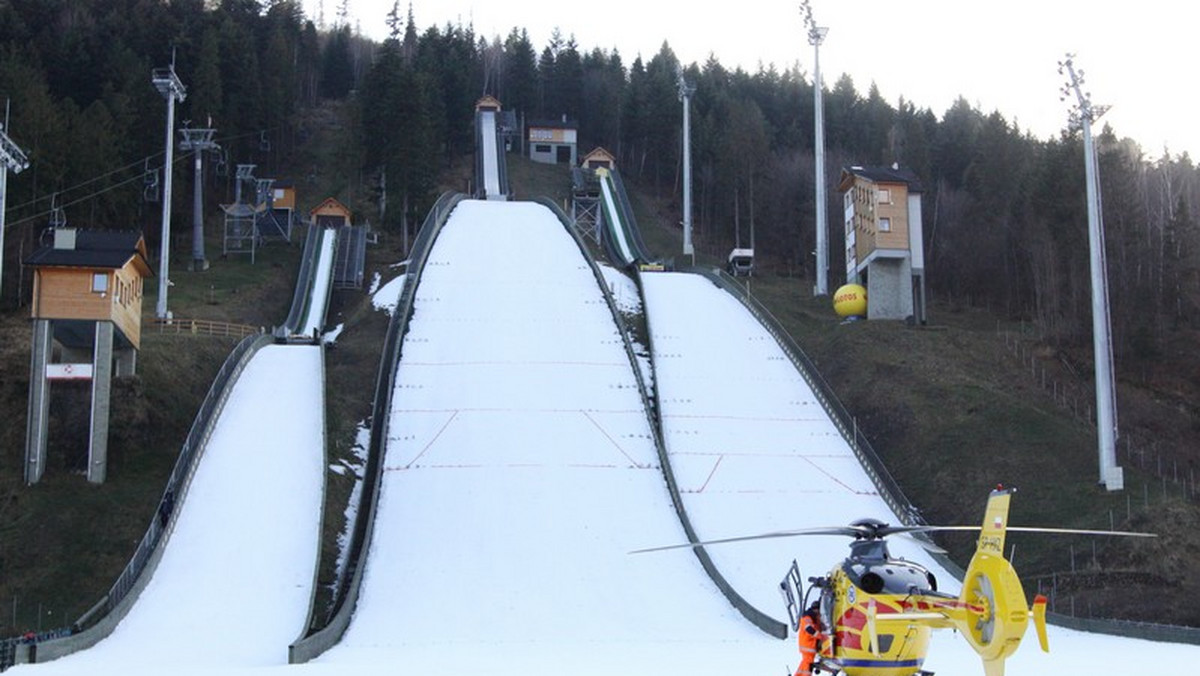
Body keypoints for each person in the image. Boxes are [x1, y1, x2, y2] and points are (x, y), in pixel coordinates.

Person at [795, 601, 827, 676]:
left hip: (810, 646)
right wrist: (821, 636)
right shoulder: (807, 617)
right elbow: (809, 629)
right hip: (807, 646)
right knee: (808, 665)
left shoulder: (815, 618)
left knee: (805, 663)